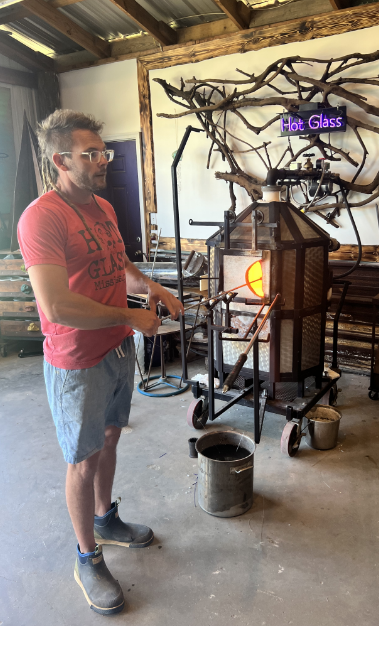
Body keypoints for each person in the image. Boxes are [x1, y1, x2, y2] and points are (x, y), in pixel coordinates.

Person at [18, 109, 183, 616]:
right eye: (89, 154)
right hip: (77, 362)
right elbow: (57, 306)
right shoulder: (42, 218)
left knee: (110, 438)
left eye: (103, 152)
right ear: (60, 160)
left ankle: (106, 518)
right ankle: (86, 556)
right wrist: (131, 318)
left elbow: (121, 267)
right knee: (82, 458)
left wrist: (152, 288)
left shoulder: (104, 209)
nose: (101, 161)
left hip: (114, 352)